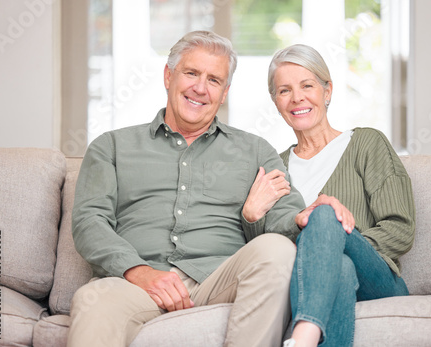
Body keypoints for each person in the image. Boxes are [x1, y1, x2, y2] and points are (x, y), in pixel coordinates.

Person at [68, 31, 354, 347]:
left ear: (225, 92)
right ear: (168, 75)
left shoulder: (255, 151)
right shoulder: (112, 147)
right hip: (136, 285)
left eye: (214, 80)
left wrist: (303, 218)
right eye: (191, 73)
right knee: (91, 299)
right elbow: (89, 222)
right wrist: (140, 272)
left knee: (277, 249)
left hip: (218, 281)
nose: (200, 88)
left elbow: (283, 216)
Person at [242, 44, 416, 347]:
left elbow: (400, 228)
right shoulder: (275, 169)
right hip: (307, 282)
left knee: (325, 213)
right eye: (284, 90)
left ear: (327, 91)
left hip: (377, 280)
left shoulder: (365, 143)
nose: (297, 98)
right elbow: (262, 251)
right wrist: (251, 216)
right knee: (341, 269)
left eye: (307, 85)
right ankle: (305, 339)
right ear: (276, 102)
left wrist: (330, 241)